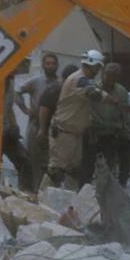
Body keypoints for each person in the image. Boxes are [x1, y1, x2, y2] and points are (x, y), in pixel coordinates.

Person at [46, 48, 106, 187]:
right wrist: (112, 100)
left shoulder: (83, 79)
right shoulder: (79, 79)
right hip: (64, 133)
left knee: (74, 172)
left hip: (75, 134)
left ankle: (69, 204)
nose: (98, 71)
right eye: (97, 67)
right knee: (56, 171)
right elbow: (95, 94)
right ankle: (44, 201)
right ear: (92, 65)